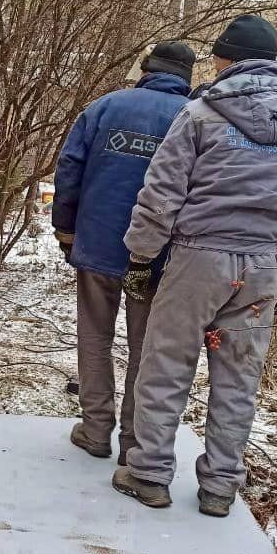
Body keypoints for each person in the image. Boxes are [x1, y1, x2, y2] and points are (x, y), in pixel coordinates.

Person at [116, 14, 277, 517]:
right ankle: (219, 487)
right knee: (238, 377)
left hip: (198, 257)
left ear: (223, 59)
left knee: (166, 364)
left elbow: (161, 194)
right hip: (260, 268)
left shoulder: (199, 116)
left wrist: (142, 256)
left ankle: (148, 474)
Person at [53, 41, 195, 464]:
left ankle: (96, 430)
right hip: (155, 257)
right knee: (144, 346)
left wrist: (66, 229)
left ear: (147, 69)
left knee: (94, 335)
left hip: (97, 242)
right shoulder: (192, 118)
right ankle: (133, 441)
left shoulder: (104, 107)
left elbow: (69, 167)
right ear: (186, 77)